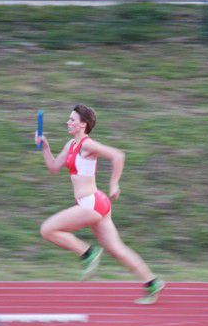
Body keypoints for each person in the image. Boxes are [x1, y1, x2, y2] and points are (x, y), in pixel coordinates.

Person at [35, 105, 165, 304]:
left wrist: (114, 184)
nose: (67, 122)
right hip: (96, 203)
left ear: (83, 124)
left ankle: (87, 253)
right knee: (116, 249)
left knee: (47, 229)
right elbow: (53, 167)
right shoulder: (71, 145)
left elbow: (117, 155)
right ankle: (152, 283)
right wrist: (45, 148)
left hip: (92, 203)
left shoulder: (88, 145)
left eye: (72, 120)